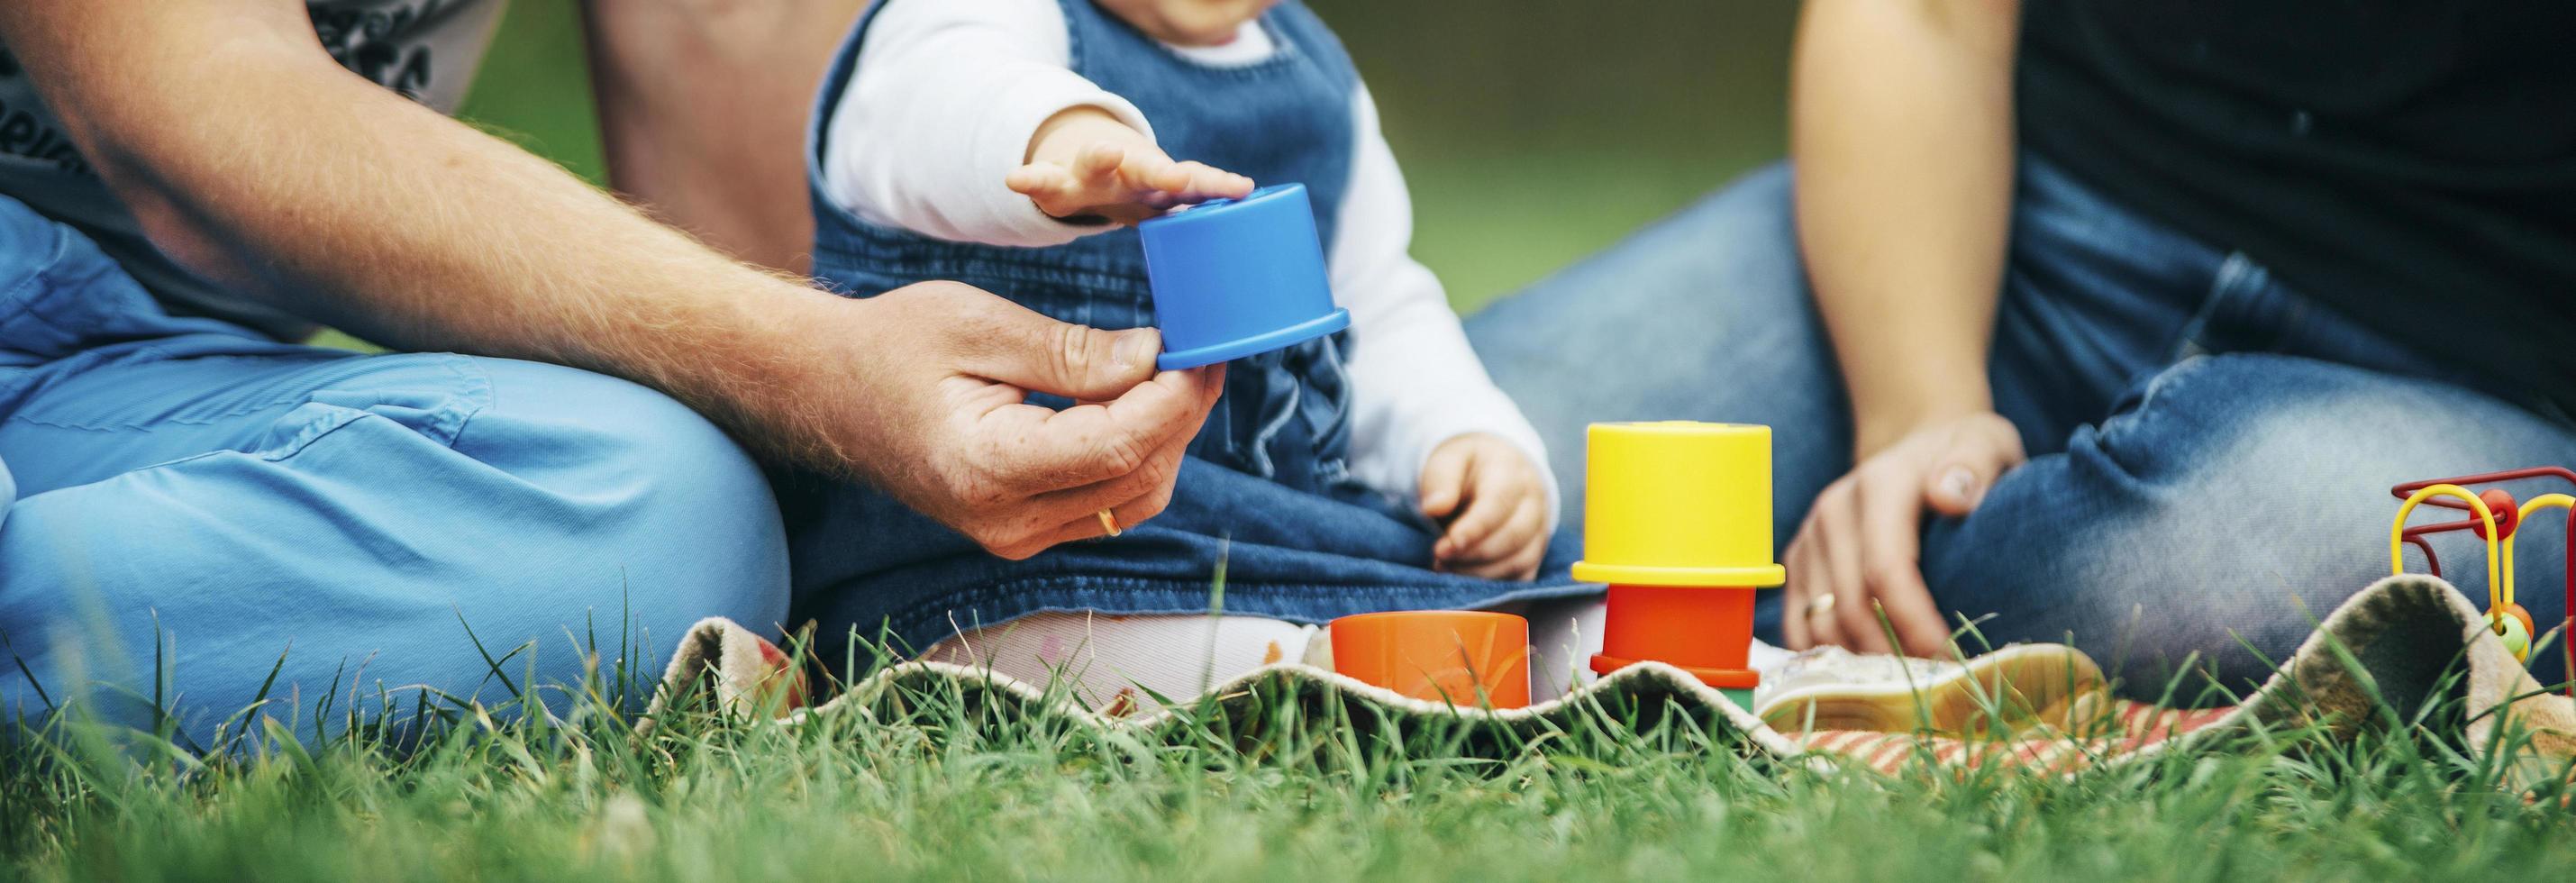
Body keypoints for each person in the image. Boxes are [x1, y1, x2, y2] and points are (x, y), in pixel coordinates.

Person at [0, 0, 1227, 744]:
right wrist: (813, 365)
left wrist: (860, 455)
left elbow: (734, 82)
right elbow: (199, 110)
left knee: (662, 526)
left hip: (151, 379)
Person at [1470, 0, 2575, 699]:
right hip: (2003, 212)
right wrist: (1916, 416)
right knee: (1462, 469)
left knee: (2210, 571)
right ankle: (1777, 605)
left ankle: (1699, 617)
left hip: (2465, 359)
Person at [786, 0, 1601, 708]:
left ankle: (1575, 649)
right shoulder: (975, 20)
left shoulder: (1317, 83)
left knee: (1493, 575)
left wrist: (1460, 432)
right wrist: (1061, 135)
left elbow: (1376, 309)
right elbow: (935, 100)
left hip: (1260, 530)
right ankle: (1285, 675)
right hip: (1016, 533)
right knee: (1040, 613)